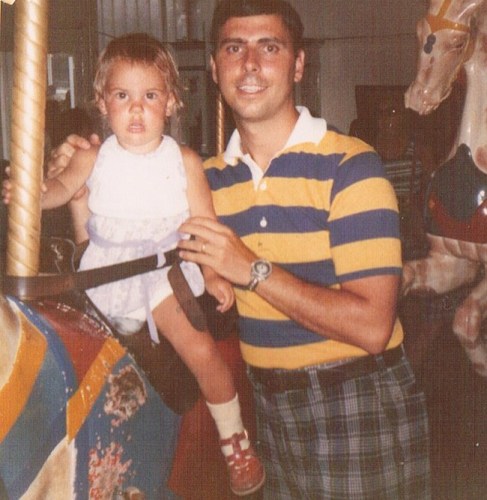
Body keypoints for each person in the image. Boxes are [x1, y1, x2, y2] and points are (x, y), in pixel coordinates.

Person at [39, 1, 431, 498]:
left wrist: (252, 270)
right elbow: (110, 251)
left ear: (298, 64)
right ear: (213, 68)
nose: (249, 64)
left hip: (355, 400)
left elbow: (374, 327)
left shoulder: (351, 167)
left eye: (269, 47)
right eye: (233, 48)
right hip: (267, 410)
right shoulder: (201, 181)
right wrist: (78, 185)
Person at [4, 32, 265, 498]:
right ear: (103, 103)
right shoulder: (93, 156)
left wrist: (212, 274)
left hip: (159, 273)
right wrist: (30, 193)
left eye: (150, 96)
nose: (137, 109)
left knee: (200, 351)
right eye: (123, 96)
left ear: (171, 102)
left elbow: (205, 224)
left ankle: (235, 442)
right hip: (102, 273)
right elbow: (60, 189)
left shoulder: (184, 161)